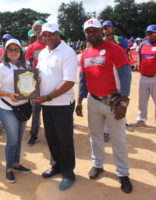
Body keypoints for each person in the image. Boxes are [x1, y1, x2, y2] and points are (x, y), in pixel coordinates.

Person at [76, 18, 133, 193]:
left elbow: (125, 75)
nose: (91, 33)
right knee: (95, 136)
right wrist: (80, 100)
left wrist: (124, 101)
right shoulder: (85, 54)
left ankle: (123, 173)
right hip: (93, 101)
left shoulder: (115, 49)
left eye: (94, 30)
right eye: (88, 31)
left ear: (101, 31)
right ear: (85, 33)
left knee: (118, 139)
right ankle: (98, 164)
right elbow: (83, 79)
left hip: (113, 101)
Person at [35, 23, 77, 190]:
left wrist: (49, 96)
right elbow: (38, 73)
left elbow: (68, 82)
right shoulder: (44, 52)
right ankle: (57, 166)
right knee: (51, 137)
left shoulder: (68, 52)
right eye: (45, 35)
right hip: (46, 104)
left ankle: (68, 173)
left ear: (58, 34)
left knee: (64, 139)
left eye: (51, 34)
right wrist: (34, 81)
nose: (48, 38)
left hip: (62, 104)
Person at [0, 38, 32, 183]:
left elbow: (30, 84)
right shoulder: (0, 68)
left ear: (21, 51)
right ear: (6, 51)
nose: (13, 52)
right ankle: (9, 168)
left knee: (19, 139)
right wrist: (8, 94)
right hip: (8, 108)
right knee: (12, 140)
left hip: (24, 107)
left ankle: (16, 163)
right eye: (10, 49)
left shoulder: (26, 65)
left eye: (16, 49)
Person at [102, 20, 133, 141]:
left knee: (122, 95)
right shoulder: (102, 41)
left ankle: (123, 121)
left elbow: (124, 54)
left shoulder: (119, 39)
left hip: (121, 70)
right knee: (107, 98)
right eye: (105, 28)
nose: (107, 29)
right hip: (109, 72)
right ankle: (106, 130)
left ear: (112, 28)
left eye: (109, 27)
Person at [25, 19, 46, 146]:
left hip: (49, 84)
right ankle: (34, 135)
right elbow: (27, 65)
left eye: (40, 28)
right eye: (36, 28)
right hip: (36, 84)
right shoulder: (31, 48)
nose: (38, 30)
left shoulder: (51, 45)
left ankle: (51, 134)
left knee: (50, 112)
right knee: (36, 111)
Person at [131, 25, 156, 127]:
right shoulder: (142, 45)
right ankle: (141, 119)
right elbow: (138, 59)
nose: (148, 35)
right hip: (144, 77)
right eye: (147, 33)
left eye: (151, 33)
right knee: (142, 100)